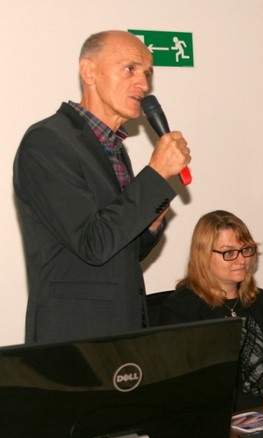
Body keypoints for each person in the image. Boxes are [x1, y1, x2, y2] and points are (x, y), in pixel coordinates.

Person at [13, 30, 191, 344]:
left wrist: (151, 224)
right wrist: (155, 174)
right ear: (89, 71)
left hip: (123, 329)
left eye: (147, 73)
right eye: (130, 69)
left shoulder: (114, 148)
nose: (143, 84)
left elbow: (121, 252)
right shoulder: (48, 141)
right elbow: (93, 244)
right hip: (74, 336)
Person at [158, 210, 263, 411]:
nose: (241, 260)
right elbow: (193, 387)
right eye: (229, 253)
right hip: (220, 417)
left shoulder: (259, 299)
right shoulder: (182, 309)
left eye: (246, 249)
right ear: (204, 255)